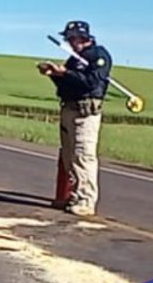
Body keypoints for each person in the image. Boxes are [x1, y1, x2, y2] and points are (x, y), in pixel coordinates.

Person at [37, 20, 112, 217]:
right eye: (68, 39)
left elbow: (91, 82)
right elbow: (66, 85)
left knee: (83, 156)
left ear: (84, 37)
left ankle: (86, 200)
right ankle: (73, 195)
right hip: (69, 108)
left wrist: (66, 73)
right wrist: (54, 74)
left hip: (85, 113)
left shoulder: (98, 55)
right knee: (69, 157)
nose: (70, 42)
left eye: (73, 38)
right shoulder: (74, 58)